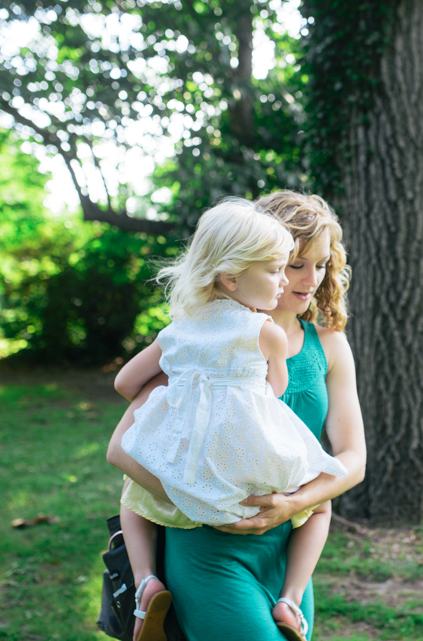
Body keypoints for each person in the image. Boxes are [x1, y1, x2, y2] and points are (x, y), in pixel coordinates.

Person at [107, 191, 367, 641]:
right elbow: (121, 449)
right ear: (246, 262)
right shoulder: (203, 342)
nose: (308, 279)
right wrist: (203, 503)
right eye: (293, 264)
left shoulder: (328, 344)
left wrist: (293, 504)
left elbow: (352, 456)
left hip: (289, 550)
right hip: (208, 547)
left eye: (321, 263)